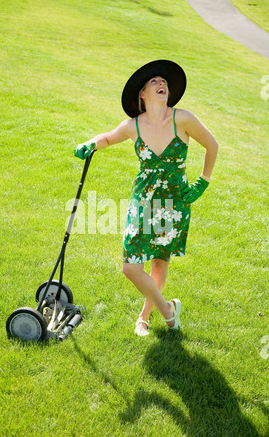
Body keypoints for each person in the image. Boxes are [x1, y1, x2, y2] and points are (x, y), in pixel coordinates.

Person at [74, 60, 218, 336]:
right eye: (154, 82)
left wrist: (203, 181)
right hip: (144, 199)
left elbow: (212, 145)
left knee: (159, 262)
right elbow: (107, 138)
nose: (161, 83)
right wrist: (90, 143)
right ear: (142, 94)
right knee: (131, 267)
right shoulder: (133, 126)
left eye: (163, 81)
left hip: (174, 202)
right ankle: (167, 310)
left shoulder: (182, 118)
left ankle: (144, 317)